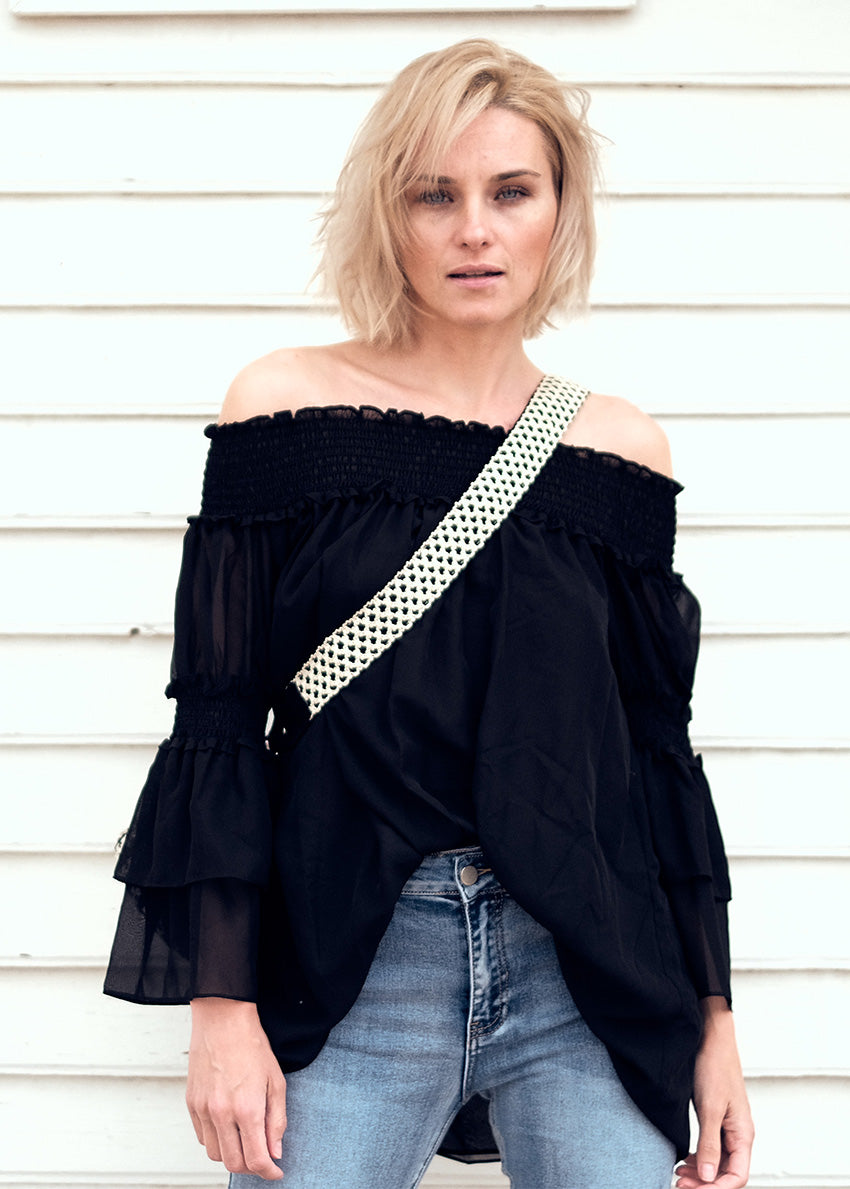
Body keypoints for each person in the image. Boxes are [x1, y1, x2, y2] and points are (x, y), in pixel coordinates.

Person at [104, 38, 754, 1189]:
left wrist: (717, 1025)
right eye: (433, 195)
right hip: (358, 961)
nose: (474, 229)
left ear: (559, 210)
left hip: (585, 974)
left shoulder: (617, 448)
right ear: (387, 214)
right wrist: (220, 1003)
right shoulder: (285, 409)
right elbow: (218, 723)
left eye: (512, 192)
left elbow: (655, 761)